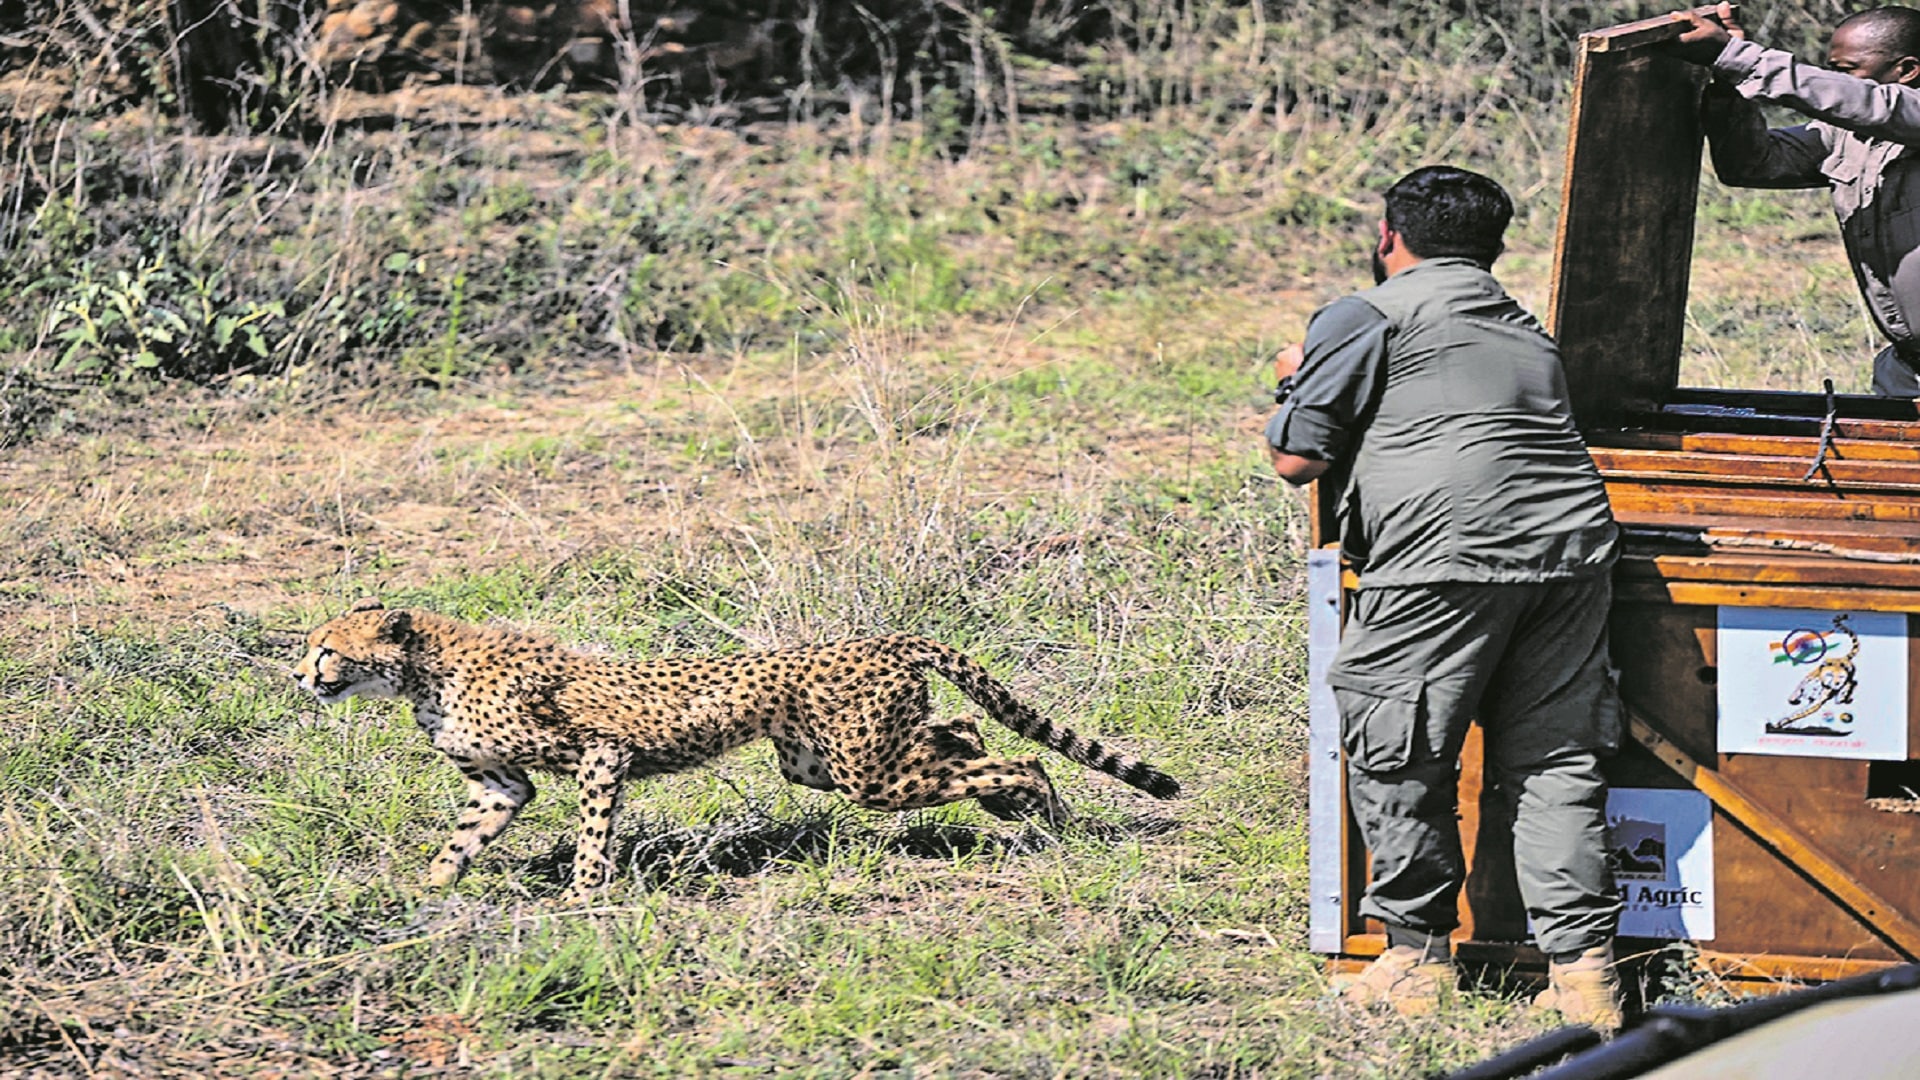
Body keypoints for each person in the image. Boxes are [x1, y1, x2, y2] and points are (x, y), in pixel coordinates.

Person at [1266, 166, 1626, 1026]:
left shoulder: (1366, 314)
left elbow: (1297, 460)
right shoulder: (1525, 326)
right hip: (1571, 552)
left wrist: (1293, 380)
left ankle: (1416, 962)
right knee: (1556, 762)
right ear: (1492, 247)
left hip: (1443, 557)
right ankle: (1586, 979)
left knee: (1399, 752)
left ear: (1390, 237)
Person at [1668, 4, 1920, 396]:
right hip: (1906, 369)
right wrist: (1728, 80)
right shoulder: (1847, 136)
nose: (1835, 80)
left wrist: (1738, 56)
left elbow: (1873, 105)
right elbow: (1753, 164)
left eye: (1846, 70)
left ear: (1906, 70)